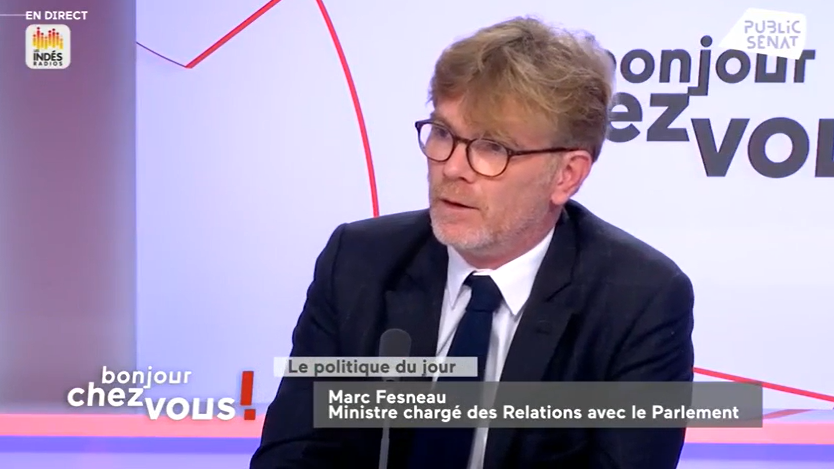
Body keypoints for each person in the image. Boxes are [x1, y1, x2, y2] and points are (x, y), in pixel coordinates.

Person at [251, 16, 694, 469]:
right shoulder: (358, 262)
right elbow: (294, 452)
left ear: (567, 175)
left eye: (492, 147)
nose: (452, 168)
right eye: (443, 133)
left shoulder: (639, 301)